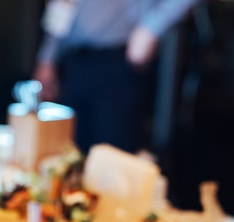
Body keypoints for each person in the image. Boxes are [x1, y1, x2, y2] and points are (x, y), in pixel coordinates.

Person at [34, 0, 203, 156]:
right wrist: (47, 56)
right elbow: (63, 4)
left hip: (117, 63)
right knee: (69, 156)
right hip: (73, 63)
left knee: (114, 161)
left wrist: (151, 28)